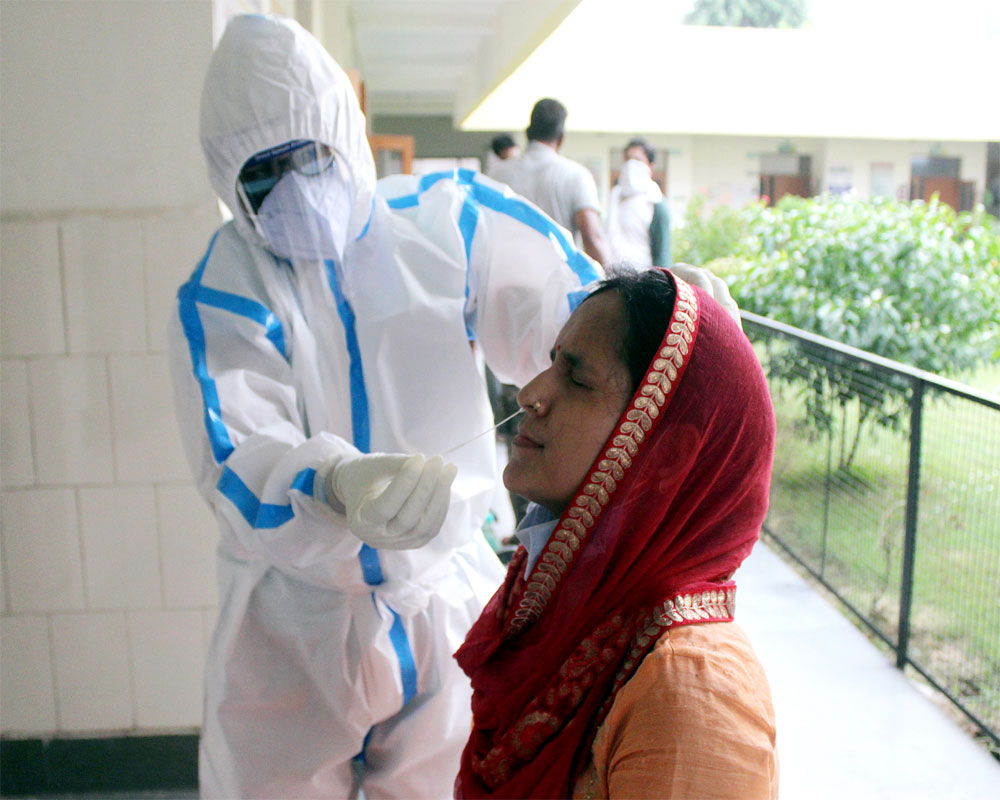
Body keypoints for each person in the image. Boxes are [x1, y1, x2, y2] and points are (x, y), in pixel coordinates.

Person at [168, 14, 606, 799]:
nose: (294, 190)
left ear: (343, 129)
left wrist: (655, 307)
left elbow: (565, 311)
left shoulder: (447, 220)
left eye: (308, 156)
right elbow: (238, 452)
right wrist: (332, 484)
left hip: (446, 600)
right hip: (290, 629)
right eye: (262, 176)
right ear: (227, 183)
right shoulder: (227, 283)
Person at [455, 267, 778, 799]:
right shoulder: (564, 601)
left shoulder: (690, 689)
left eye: (577, 380)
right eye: (551, 363)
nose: (531, 394)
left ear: (666, 452)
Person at [491, 98, 612, 265]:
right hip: (559, 283)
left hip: (505, 279)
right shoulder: (576, 175)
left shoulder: (496, 174)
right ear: (561, 137)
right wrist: (615, 284)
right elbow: (591, 237)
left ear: (528, 133)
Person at [606, 137, 671, 268]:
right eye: (628, 159)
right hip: (612, 274)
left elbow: (662, 253)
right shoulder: (615, 195)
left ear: (650, 167)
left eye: (638, 160)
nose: (631, 164)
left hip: (642, 276)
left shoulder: (656, 201)